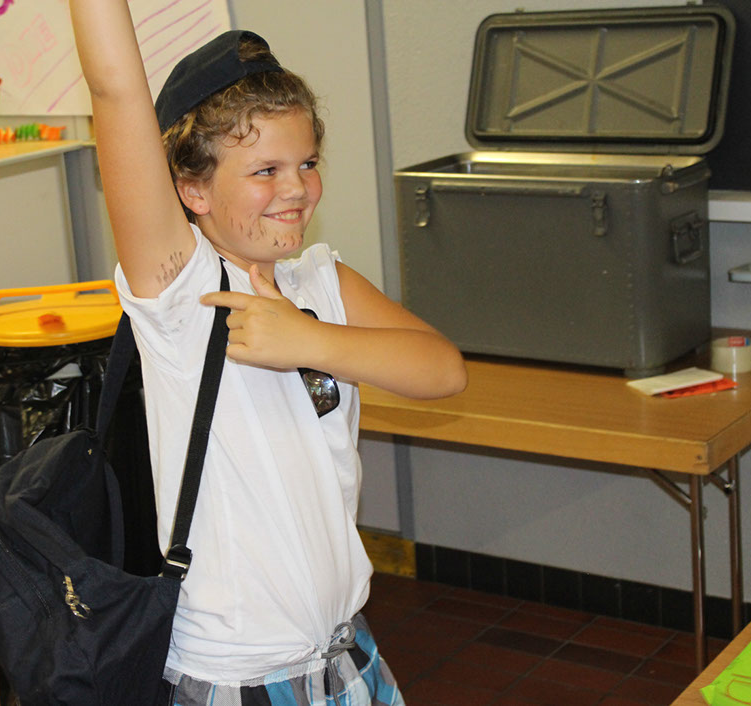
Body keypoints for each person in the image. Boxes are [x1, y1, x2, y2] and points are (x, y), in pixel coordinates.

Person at [69, 2, 468, 703]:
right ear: (191, 189)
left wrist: (308, 339)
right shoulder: (182, 296)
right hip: (237, 673)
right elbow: (115, 91)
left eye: (307, 162)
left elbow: (443, 370)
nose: (296, 189)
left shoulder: (322, 280)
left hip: (344, 653)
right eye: (265, 170)